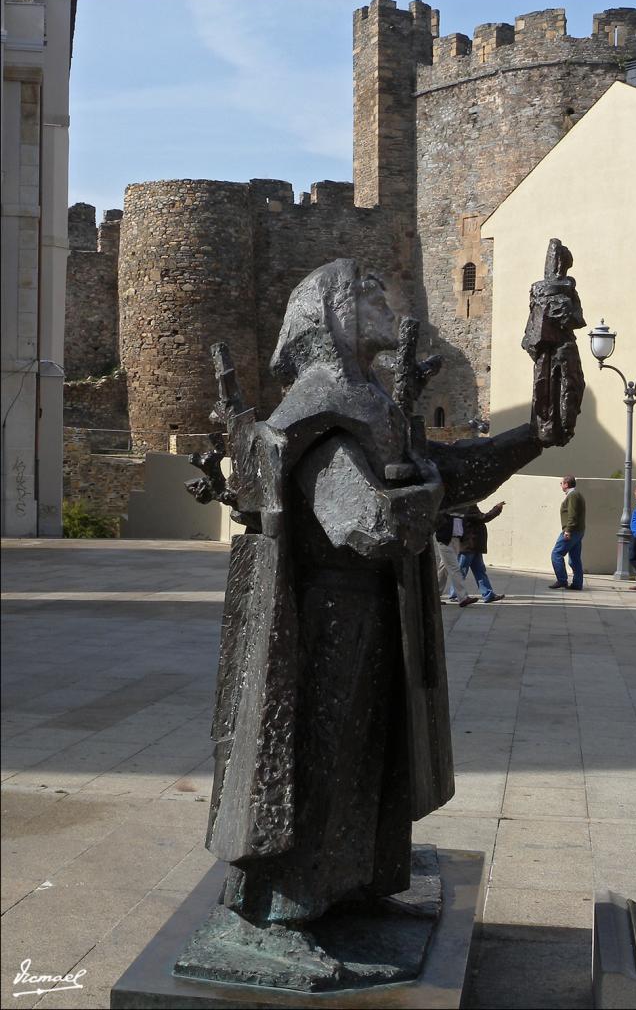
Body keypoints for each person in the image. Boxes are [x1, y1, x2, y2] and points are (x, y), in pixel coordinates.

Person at [189, 255, 586, 929]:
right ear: (331, 311)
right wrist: (424, 494)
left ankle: (356, 884)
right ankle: (297, 900)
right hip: (327, 626)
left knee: (370, 755)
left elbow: (455, 469)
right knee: (328, 756)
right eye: (369, 292)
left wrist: (545, 388)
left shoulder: (372, 402)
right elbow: (371, 524)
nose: (388, 301)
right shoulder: (321, 410)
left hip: (374, 618)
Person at [456, 502, 506, 603]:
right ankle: (455, 594)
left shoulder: (469, 505)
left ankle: (488, 594)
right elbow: (483, 517)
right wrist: (496, 509)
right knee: (461, 571)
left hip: (474, 546)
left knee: (479, 570)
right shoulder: (467, 506)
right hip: (469, 545)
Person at [434, 511, 478, 608]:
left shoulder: (461, 510)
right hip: (445, 541)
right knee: (455, 568)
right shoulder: (445, 509)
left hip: (456, 541)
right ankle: (463, 598)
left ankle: (434, 597)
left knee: (443, 570)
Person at [549, 475, 586, 589]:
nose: (561, 485)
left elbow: (572, 514)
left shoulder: (573, 495)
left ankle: (562, 580)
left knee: (556, 554)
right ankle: (577, 584)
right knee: (574, 559)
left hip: (572, 531)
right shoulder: (575, 494)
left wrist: (568, 530)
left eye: (561, 483)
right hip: (578, 531)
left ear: (566, 484)